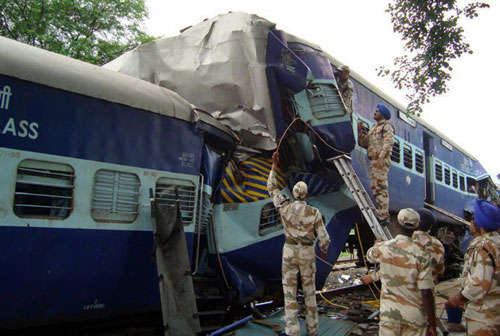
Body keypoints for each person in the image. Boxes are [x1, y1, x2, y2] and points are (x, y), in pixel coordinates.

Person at [267, 151, 331, 336]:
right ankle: (312, 330)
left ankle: (292, 330)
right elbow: (324, 238)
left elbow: (271, 188)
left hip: (288, 251)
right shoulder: (314, 212)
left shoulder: (284, 207)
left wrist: (273, 166)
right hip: (307, 253)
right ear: (307, 194)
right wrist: (323, 250)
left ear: (294, 194)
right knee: (309, 292)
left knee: (289, 292)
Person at [361, 208, 437, 336]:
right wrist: (432, 323)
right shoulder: (423, 255)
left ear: (397, 224)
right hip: (415, 319)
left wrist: (377, 245)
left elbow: (370, 256)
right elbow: (426, 293)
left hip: (390, 317)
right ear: (416, 227)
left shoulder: (382, 248)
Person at [445, 199, 500, 335]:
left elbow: (480, 284)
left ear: (479, 224)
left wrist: (459, 298)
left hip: (484, 317)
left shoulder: (483, 247)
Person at [357, 104, 395, 225]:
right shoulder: (373, 128)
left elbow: (389, 143)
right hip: (373, 161)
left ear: (382, 114)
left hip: (380, 160)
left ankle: (384, 216)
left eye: (377, 111)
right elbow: (364, 143)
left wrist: (381, 157)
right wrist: (359, 131)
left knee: (381, 187)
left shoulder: (387, 126)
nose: (374, 112)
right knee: (375, 188)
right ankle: (381, 213)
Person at [413, 208, 445, 284]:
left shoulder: (407, 239)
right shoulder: (438, 244)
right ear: (430, 227)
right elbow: (440, 271)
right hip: (428, 289)